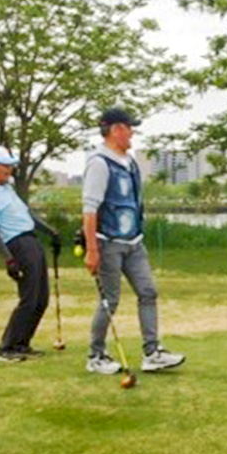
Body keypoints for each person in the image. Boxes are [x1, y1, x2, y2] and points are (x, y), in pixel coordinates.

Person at [81, 107, 185, 374]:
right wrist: (92, 250)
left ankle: (152, 353)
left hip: (134, 242)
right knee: (110, 300)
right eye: (129, 128)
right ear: (116, 129)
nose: (133, 134)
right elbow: (90, 209)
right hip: (108, 243)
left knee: (148, 292)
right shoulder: (99, 163)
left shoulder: (130, 162)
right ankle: (96, 356)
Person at [0, 145, 61, 362]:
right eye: (4, 166)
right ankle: (7, 347)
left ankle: (23, 344)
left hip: (32, 241)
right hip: (17, 246)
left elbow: (28, 216)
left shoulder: (8, 189)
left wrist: (51, 232)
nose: (9, 169)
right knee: (29, 298)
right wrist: (9, 260)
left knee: (42, 298)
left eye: (10, 165)